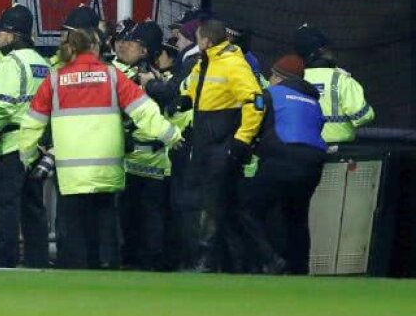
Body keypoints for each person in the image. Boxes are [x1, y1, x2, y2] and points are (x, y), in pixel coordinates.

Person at [15, 26, 181, 270]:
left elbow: (31, 125)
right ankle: (107, 272)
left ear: (70, 47)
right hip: (106, 171)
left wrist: (28, 157)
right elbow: (145, 111)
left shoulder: (55, 80)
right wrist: (172, 136)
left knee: (72, 237)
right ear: (95, 47)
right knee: (105, 231)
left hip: (71, 175)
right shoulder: (113, 77)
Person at [182, 19, 264, 273]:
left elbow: (256, 101)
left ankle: (206, 261)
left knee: (212, 204)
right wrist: (182, 101)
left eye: (198, 39)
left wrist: (242, 139)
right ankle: (266, 260)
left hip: (221, 144)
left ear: (206, 41)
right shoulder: (205, 64)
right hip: (208, 142)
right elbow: (195, 94)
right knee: (227, 207)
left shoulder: (232, 65)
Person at [241, 54, 328, 275]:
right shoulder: (313, 102)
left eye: (271, 75)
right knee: (297, 216)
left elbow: (254, 124)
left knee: (247, 209)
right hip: (314, 162)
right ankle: (299, 270)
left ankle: (270, 259)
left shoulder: (270, 94)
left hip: (282, 156)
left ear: (278, 77)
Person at [0, 4, 51, 269]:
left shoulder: (11, 63)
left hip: (12, 144)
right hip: (35, 145)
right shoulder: (42, 64)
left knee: (7, 206)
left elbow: (2, 108)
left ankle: (5, 260)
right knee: (34, 207)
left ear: (11, 35)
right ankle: (38, 260)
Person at [115, 21, 177, 271]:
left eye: (133, 42)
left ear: (145, 50)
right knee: (129, 219)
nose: (124, 46)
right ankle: (133, 261)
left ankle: (153, 264)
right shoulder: (127, 76)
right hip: (130, 162)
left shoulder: (159, 80)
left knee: (152, 220)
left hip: (154, 162)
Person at [293, 24, 374, 144]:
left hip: (303, 149)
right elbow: (362, 116)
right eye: (328, 48)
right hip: (338, 152)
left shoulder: (292, 79)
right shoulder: (340, 79)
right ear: (321, 50)